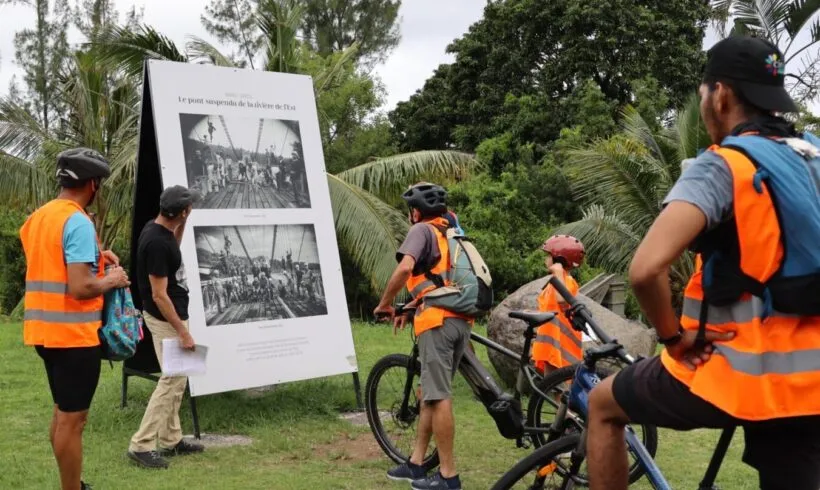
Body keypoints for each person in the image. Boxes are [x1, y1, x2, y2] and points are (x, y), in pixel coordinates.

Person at [587, 36, 820, 490]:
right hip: (812, 380)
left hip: (741, 370)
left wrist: (673, 338)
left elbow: (645, 269)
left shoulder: (724, 165)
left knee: (602, 405)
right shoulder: (813, 154)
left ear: (721, 95)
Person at [20, 148, 130, 490]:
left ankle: (73, 483)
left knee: (63, 413)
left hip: (43, 332)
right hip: (72, 334)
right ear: (94, 184)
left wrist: (98, 255)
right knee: (73, 421)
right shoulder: (78, 220)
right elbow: (81, 287)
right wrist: (112, 279)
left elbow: (53, 262)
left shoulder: (39, 217)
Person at [374, 182, 473, 490]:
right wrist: (410, 307)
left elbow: (406, 269)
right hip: (459, 319)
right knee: (429, 393)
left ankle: (448, 475)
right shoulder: (451, 230)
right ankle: (416, 463)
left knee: (439, 397)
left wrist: (385, 303)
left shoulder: (421, 230)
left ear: (415, 211)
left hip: (438, 323)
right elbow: (440, 281)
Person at [127, 185, 205, 469]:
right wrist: (183, 332)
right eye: (189, 208)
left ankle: (171, 439)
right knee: (172, 379)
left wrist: (181, 225)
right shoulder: (157, 243)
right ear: (182, 211)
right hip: (166, 318)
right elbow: (159, 295)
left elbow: (173, 247)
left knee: (179, 378)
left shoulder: (158, 229)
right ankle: (141, 444)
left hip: (169, 314)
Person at [531, 235, 584, 375]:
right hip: (551, 340)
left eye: (548, 255)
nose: (545, 259)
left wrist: (559, 272)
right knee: (551, 384)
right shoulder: (555, 281)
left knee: (560, 385)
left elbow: (562, 300)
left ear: (559, 259)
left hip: (561, 341)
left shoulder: (567, 280)